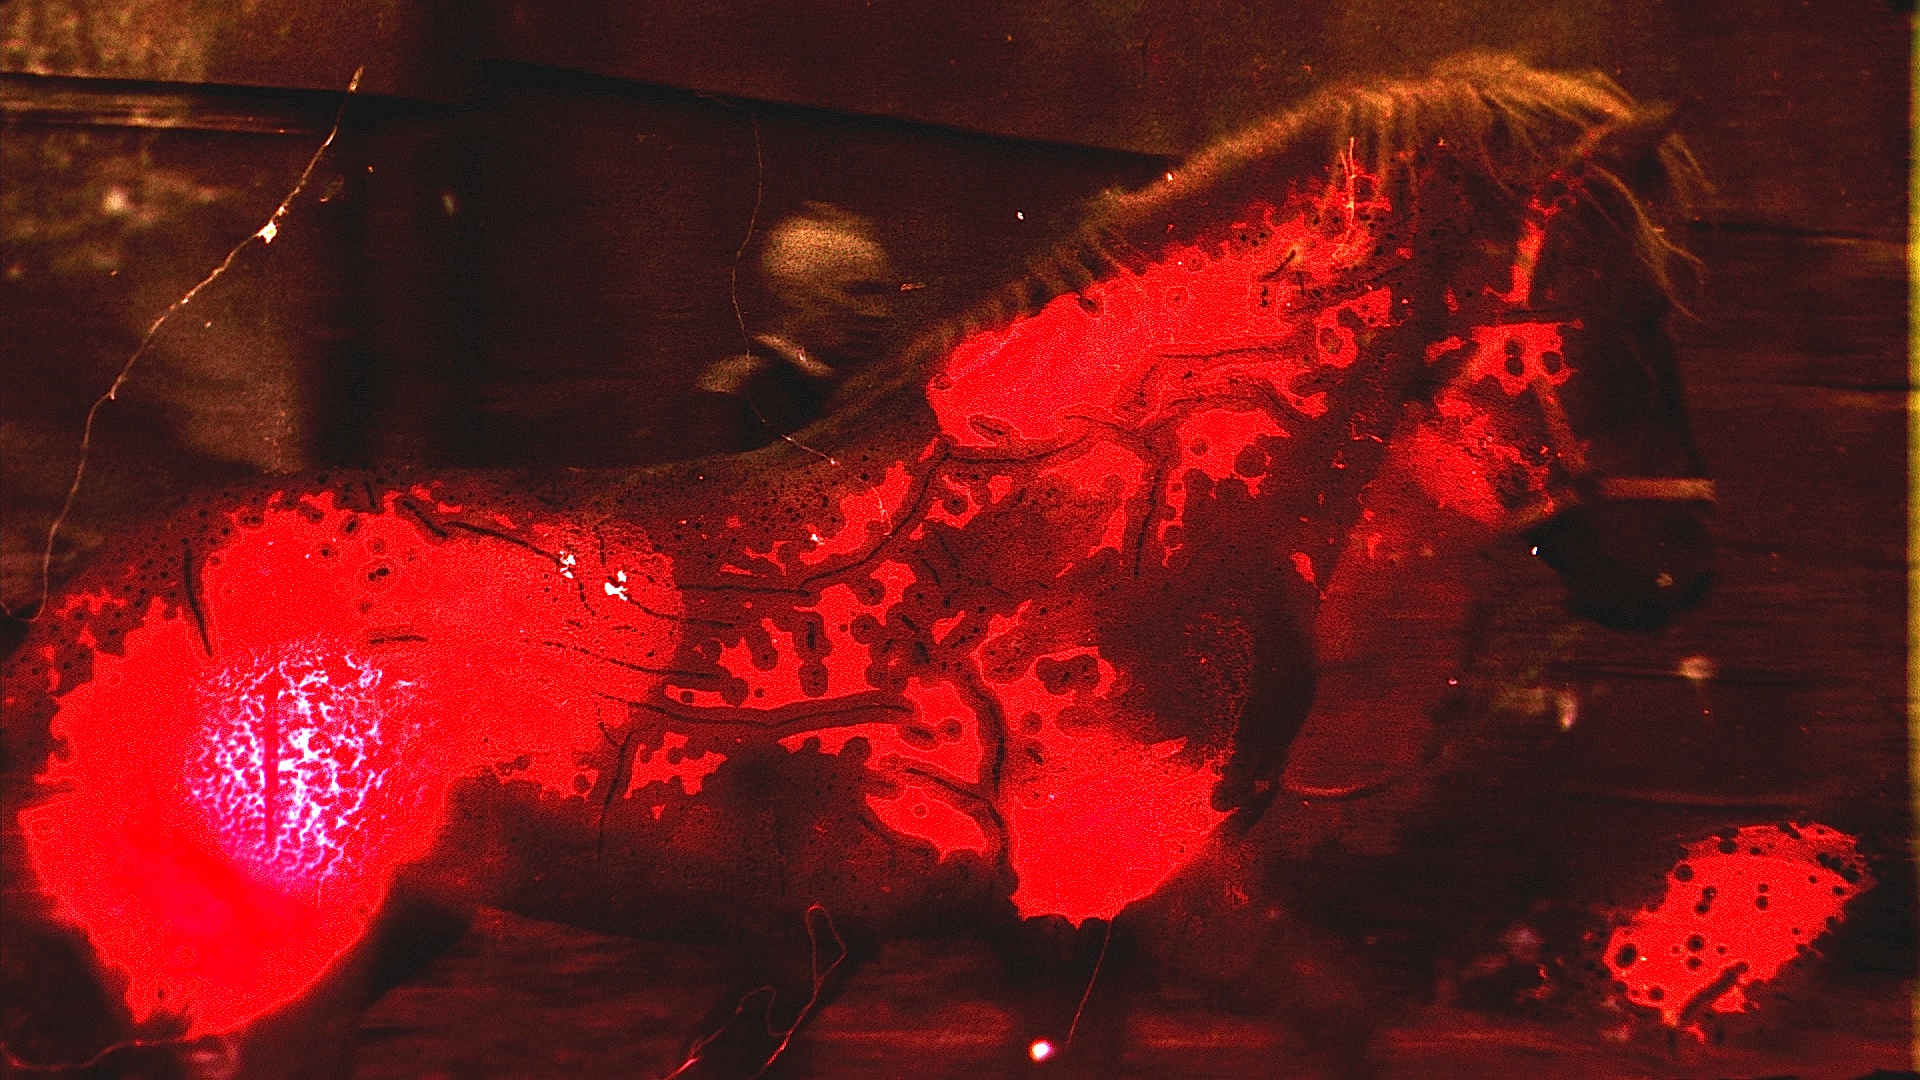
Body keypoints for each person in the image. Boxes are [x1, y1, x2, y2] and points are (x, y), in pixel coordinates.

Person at [687, 203, 901, 455]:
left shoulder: (863, 391)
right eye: (858, 292)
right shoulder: (739, 394)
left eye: (883, 295)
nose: (878, 313)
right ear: (796, 295)